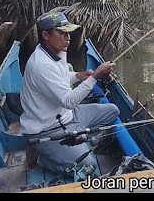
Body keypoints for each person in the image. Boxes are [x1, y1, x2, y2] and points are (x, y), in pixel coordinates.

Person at [20, 11, 119, 179]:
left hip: (69, 117)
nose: (68, 38)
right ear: (46, 35)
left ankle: (79, 137)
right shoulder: (41, 65)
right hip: (47, 129)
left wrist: (78, 76)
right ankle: (45, 159)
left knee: (113, 110)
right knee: (89, 166)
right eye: (62, 33)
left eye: (68, 33)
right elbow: (69, 100)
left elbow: (62, 76)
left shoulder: (57, 50)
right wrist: (95, 76)